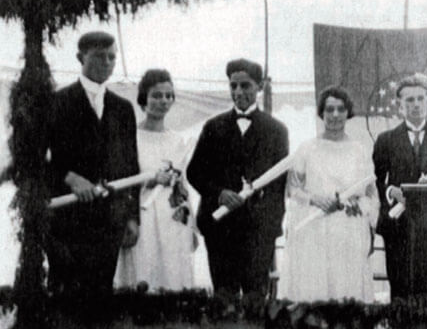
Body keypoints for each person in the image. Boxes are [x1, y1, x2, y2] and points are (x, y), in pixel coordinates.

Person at [46, 31, 140, 304]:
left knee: (100, 300)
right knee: (65, 299)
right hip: (66, 221)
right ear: (80, 57)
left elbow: (131, 166)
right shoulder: (56, 102)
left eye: (112, 57)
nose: (107, 63)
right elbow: (32, 158)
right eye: (99, 56)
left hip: (110, 221)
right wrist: (69, 177)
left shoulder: (123, 109)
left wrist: (132, 217)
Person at [186, 58, 289, 300]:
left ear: (259, 86)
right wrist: (219, 194)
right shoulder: (213, 127)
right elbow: (195, 172)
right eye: (233, 86)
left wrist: (268, 226)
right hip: (220, 231)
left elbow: (279, 184)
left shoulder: (277, 130)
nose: (238, 92)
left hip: (258, 233)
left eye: (245, 85)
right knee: (224, 299)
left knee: (255, 299)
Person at [281, 87, 379, 302]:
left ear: (348, 112)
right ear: (321, 113)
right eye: (329, 109)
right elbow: (293, 189)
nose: (335, 115)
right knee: (317, 290)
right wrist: (315, 199)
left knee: (346, 291)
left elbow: (371, 194)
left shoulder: (360, 151)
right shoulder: (307, 149)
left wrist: (358, 205)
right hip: (315, 231)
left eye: (341, 109)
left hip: (348, 231)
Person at [373, 73, 427, 300]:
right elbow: (375, 181)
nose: (416, 104)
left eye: (421, 98)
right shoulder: (385, 140)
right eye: (409, 100)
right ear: (400, 105)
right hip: (398, 228)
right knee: (400, 290)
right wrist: (392, 192)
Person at [115, 69, 196, 291]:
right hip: (142, 214)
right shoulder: (130, 137)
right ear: (144, 98)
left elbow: (183, 184)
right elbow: (121, 179)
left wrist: (192, 225)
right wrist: (150, 179)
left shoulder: (177, 140)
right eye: (157, 95)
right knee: (144, 269)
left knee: (172, 273)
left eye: (168, 96)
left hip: (172, 217)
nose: (164, 101)